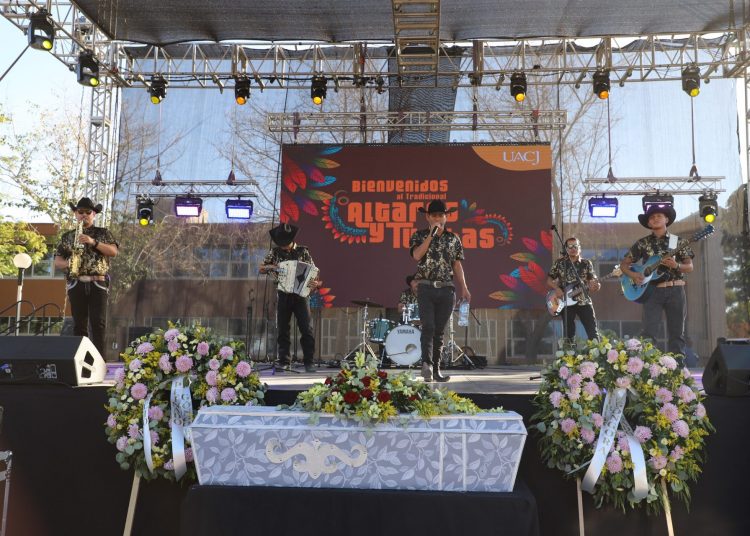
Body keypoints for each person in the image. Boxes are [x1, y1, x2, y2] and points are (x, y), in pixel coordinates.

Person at [409, 200, 470, 382]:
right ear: (428, 217)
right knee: (428, 326)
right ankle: (426, 365)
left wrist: (464, 287)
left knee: (439, 331)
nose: (437, 218)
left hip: (446, 289)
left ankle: (436, 370)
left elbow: (457, 264)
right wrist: (431, 235)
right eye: (434, 215)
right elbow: (417, 255)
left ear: (445, 217)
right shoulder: (419, 235)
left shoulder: (453, 239)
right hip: (426, 287)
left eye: (440, 215)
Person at [620, 204, 693, 356]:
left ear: (667, 219)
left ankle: (677, 366)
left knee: (677, 332)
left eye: (659, 215)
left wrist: (676, 265)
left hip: (675, 289)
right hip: (652, 292)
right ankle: (649, 366)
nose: (655, 218)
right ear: (648, 223)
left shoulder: (677, 241)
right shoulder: (642, 243)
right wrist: (634, 275)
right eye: (652, 217)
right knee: (649, 332)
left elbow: (689, 266)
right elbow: (624, 265)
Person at [53, 197, 118, 356]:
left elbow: (113, 252)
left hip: (98, 283)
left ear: (94, 214)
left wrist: (93, 242)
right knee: (79, 325)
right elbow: (58, 261)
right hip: (76, 283)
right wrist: (70, 263)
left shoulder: (103, 232)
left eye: (88, 212)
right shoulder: (68, 236)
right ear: (75, 214)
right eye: (80, 212)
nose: (84, 215)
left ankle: (100, 361)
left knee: (98, 323)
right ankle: (82, 361)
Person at [259, 223, 320, 373]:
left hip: (301, 296)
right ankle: (284, 361)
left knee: (307, 329)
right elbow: (261, 268)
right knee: (282, 329)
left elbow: (314, 272)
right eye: (281, 243)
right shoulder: (275, 252)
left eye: (285, 243)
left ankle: (309, 362)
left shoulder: (303, 252)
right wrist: (274, 267)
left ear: (291, 240)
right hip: (283, 293)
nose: (283, 246)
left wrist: (315, 283)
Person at [546, 237, 601, 341]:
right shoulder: (560, 263)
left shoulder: (586, 263)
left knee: (593, 332)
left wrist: (596, 286)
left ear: (579, 248)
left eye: (575, 246)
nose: (573, 249)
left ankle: (595, 350)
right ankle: (569, 351)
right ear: (566, 249)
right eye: (570, 246)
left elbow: (593, 281)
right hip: (566, 302)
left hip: (584, 301)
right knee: (569, 334)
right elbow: (549, 280)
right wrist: (557, 288)